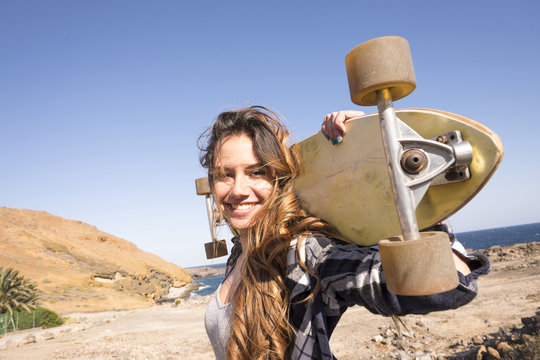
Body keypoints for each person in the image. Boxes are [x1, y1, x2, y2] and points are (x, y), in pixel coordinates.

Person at [198, 106, 490, 360]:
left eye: (256, 172)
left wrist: (376, 153)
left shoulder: (304, 255)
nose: (237, 190)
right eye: (224, 174)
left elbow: (449, 286)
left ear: (279, 179)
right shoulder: (240, 252)